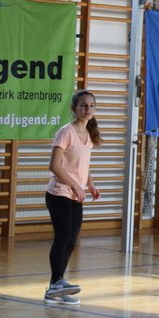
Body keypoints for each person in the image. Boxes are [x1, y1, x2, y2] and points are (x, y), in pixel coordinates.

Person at [43, 89, 101, 306]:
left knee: (71, 241)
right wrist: (76, 185)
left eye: (91, 105)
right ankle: (57, 282)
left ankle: (55, 287)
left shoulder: (88, 134)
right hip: (59, 193)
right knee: (63, 236)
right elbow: (54, 166)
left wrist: (90, 184)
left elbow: (82, 165)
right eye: (83, 105)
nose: (88, 109)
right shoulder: (65, 132)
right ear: (74, 108)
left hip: (76, 194)